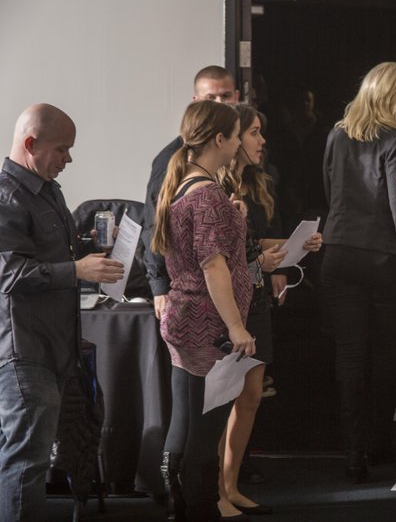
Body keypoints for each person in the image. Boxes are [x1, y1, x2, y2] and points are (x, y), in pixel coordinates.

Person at [0, 104, 124, 522]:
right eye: (62, 149)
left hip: (54, 346)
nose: (68, 159)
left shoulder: (47, 188)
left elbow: (48, 251)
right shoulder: (7, 195)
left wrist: (88, 245)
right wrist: (77, 269)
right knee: (25, 463)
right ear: (31, 144)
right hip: (24, 349)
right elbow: (8, 274)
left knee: (32, 460)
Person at [321, 61, 396, 484]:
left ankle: (352, 455)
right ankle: (380, 443)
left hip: (339, 252)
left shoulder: (336, 133)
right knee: (384, 356)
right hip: (384, 259)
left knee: (349, 355)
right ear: (390, 96)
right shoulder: (395, 138)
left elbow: (331, 191)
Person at [215, 104, 322, 518]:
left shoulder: (262, 180)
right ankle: (216, 491)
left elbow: (255, 243)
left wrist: (296, 246)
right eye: (255, 133)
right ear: (233, 137)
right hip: (228, 301)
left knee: (252, 395)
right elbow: (218, 255)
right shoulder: (213, 187)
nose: (262, 141)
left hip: (255, 295)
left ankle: (230, 483)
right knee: (224, 397)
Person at [152, 100, 254, 522]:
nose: (237, 146)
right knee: (205, 431)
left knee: (186, 420)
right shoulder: (207, 192)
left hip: (185, 316)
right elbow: (213, 266)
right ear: (219, 139)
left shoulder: (184, 182)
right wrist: (236, 328)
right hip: (206, 322)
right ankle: (200, 509)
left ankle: (179, 505)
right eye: (235, 137)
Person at [142, 65, 241, 321]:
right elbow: (155, 222)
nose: (221, 103)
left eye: (226, 96)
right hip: (197, 302)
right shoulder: (171, 161)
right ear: (196, 103)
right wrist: (159, 286)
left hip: (218, 297)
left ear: (237, 97)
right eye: (212, 98)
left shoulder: (233, 151)